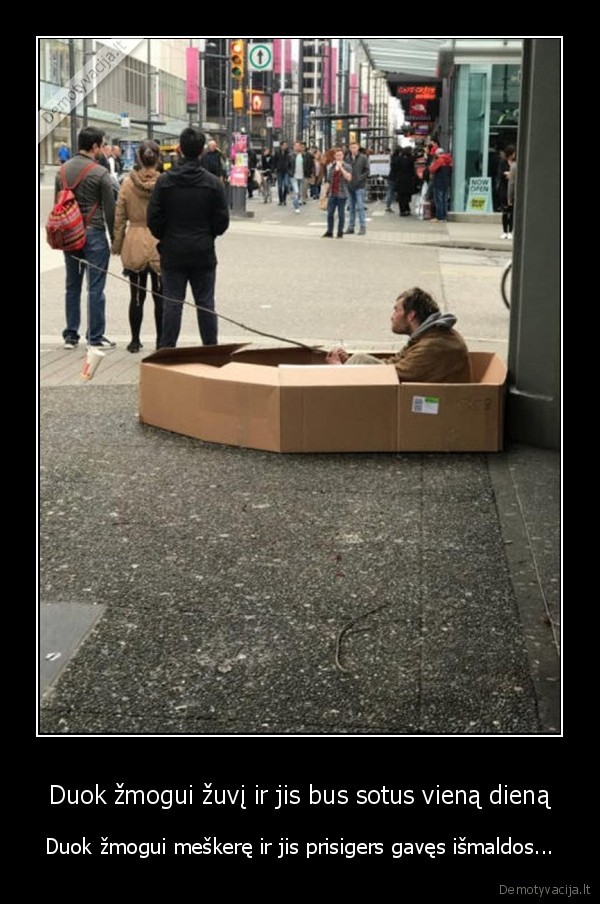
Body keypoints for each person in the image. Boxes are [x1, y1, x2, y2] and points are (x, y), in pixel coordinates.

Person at [147, 127, 229, 348]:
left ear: (180, 149)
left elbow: (153, 219)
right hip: (203, 250)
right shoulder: (213, 183)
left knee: (172, 303)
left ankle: (167, 351)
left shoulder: (164, 182)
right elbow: (222, 221)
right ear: (202, 151)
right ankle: (211, 350)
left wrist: (166, 234)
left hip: (173, 250)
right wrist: (208, 233)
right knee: (205, 303)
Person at [325, 286, 471, 383]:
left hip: (437, 407)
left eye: (396, 310)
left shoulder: (435, 345)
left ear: (411, 316)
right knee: (359, 360)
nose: (392, 316)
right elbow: (395, 363)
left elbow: (393, 376)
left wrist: (340, 370)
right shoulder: (428, 336)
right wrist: (351, 365)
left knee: (359, 361)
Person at [57, 126, 116, 349]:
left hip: (69, 234)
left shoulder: (62, 171)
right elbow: (110, 210)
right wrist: (115, 238)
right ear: (94, 146)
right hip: (94, 233)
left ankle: (71, 335)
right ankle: (95, 336)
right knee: (96, 288)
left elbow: (58, 204)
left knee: (72, 285)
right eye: (102, 144)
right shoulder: (100, 173)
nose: (103, 149)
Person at [111, 139, 163, 353]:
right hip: (159, 240)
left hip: (134, 238)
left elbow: (120, 217)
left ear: (139, 158)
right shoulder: (164, 183)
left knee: (137, 295)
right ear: (157, 158)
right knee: (160, 295)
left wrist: (117, 244)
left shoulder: (128, 183)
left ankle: (135, 340)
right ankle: (161, 341)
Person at [322, 148, 352, 238]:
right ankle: (329, 231)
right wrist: (324, 193)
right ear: (334, 156)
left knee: (341, 214)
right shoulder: (331, 167)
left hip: (342, 194)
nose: (339, 157)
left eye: (340, 155)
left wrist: (341, 168)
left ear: (343, 156)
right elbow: (328, 181)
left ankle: (340, 232)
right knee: (330, 213)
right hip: (332, 193)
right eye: (337, 155)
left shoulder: (347, 166)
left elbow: (349, 178)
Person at [344, 141, 369, 234]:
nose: (353, 149)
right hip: (350, 185)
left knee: (360, 207)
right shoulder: (347, 158)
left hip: (360, 186)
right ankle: (351, 227)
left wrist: (360, 178)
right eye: (351, 147)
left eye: (354, 147)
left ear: (358, 147)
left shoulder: (363, 157)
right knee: (351, 207)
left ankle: (363, 227)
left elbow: (367, 171)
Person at [429, 147, 453, 223]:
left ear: (437, 154)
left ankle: (439, 217)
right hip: (446, 183)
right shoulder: (449, 160)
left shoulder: (440, 160)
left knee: (438, 201)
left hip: (438, 183)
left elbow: (432, 170)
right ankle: (444, 217)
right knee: (444, 201)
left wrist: (431, 165)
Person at [272, 140, 292, 205]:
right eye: (284, 145)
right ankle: (280, 200)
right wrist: (274, 170)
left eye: (286, 145)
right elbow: (274, 162)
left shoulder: (288, 153)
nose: (285, 146)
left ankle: (284, 199)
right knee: (280, 186)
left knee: (286, 185)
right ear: (281, 146)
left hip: (286, 171)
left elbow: (290, 162)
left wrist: (290, 169)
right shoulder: (277, 152)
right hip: (279, 171)